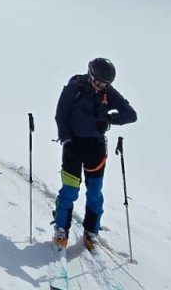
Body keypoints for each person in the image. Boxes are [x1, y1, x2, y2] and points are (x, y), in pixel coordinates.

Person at [53, 57, 137, 250]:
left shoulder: (108, 92)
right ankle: (61, 228)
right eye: (98, 81)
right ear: (90, 74)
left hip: (96, 148)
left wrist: (109, 119)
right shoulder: (75, 87)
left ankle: (91, 231)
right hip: (73, 145)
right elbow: (61, 114)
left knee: (94, 192)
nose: (100, 86)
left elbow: (131, 114)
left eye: (104, 83)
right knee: (70, 190)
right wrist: (65, 138)